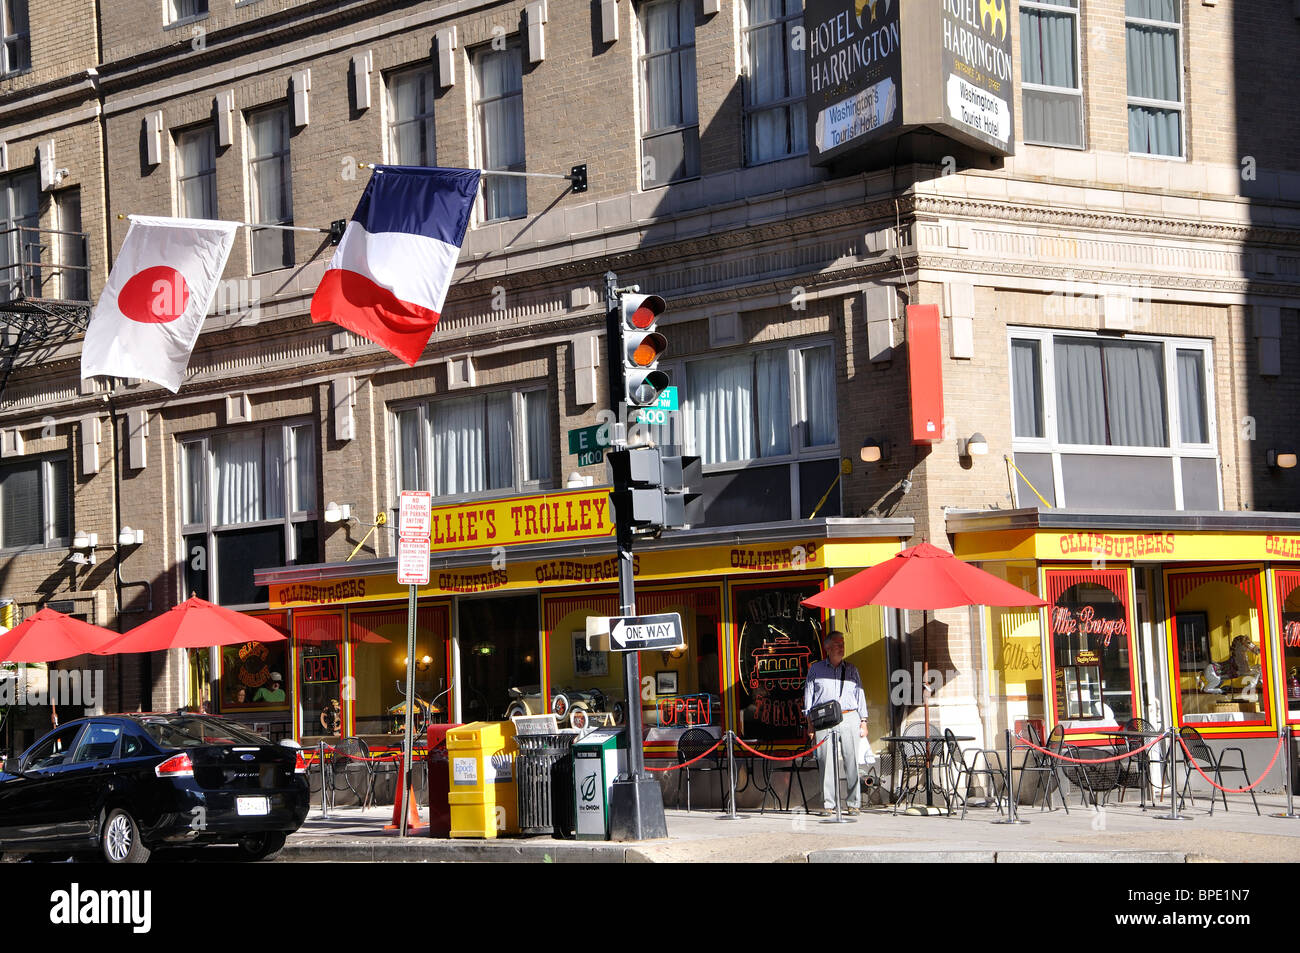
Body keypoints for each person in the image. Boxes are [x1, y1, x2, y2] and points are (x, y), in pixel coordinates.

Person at [803, 631, 868, 816]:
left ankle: (854, 803)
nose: (841, 647)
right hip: (823, 720)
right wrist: (810, 724)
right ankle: (828, 804)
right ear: (827, 648)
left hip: (849, 717)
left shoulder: (852, 670)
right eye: (838, 644)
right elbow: (809, 697)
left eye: (843, 643)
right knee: (825, 763)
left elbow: (860, 695)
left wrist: (863, 721)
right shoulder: (816, 669)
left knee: (851, 761)